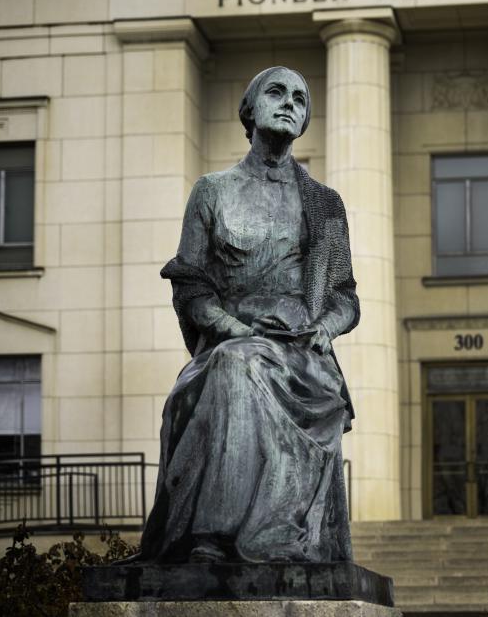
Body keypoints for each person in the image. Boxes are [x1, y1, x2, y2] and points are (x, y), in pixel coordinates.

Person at [134, 66, 359, 564]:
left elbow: (345, 296)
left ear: (304, 121)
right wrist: (228, 327)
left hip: (300, 350)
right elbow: (189, 282)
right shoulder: (212, 191)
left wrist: (326, 328)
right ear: (249, 110)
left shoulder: (324, 203)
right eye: (276, 92)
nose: (289, 103)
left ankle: (233, 537)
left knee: (241, 365)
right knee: (234, 365)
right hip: (228, 337)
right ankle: (215, 535)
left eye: (300, 99)